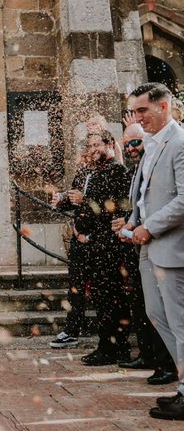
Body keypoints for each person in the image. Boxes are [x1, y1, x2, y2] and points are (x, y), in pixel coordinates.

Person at [120, 83, 184, 421]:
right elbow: (145, 196)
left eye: (143, 110)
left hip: (172, 247)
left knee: (180, 322)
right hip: (148, 247)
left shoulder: (180, 142)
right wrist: (132, 223)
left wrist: (150, 226)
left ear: (164, 106)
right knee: (157, 315)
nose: (138, 117)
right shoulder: (153, 146)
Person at [112, 124, 177, 385]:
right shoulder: (138, 165)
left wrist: (145, 226)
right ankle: (155, 357)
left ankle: (169, 367)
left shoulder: (172, 147)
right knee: (150, 309)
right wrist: (130, 222)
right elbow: (139, 201)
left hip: (165, 243)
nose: (131, 149)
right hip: (141, 242)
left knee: (168, 311)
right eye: (127, 145)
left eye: (135, 143)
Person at [70, 130, 131, 365]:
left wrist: (84, 201)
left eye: (98, 145)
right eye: (91, 145)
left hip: (110, 246)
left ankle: (115, 348)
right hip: (95, 246)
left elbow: (116, 205)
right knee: (101, 297)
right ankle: (108, 346)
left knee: (111, 297)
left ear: (110, 145)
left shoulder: (117, 170)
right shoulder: (95, 172)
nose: (93, 149)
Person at [49, 144, 95, 349]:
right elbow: (72, 202)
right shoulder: (82, 172)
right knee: (75, 287)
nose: (88, 153)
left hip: (98, 240)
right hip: (79, 240)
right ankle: (72, 330)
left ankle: (111, 340)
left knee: (103, 290)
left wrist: (85, 201)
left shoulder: (110, 171)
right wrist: (61, 201)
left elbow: (109, 204)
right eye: (87, 148)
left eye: (94, 146)